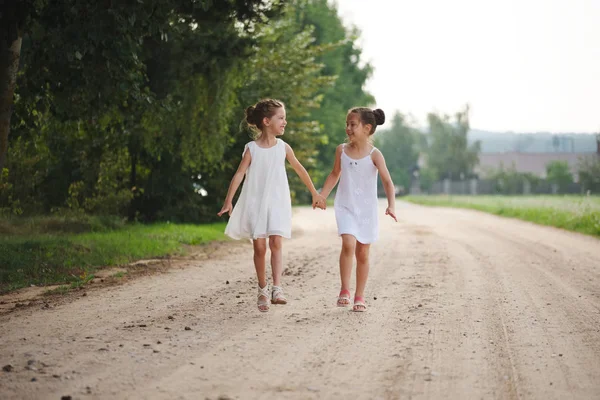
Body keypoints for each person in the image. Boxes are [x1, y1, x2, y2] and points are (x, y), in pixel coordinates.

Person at [218, 99, 326, 312]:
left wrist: (315, 192)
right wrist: (229, 200)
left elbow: (299, 168)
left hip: (277, 200)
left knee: (276, 242)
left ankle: (277, 288)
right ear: (267, 121)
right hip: (256, 201)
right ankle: (262, 288)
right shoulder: (251, 148)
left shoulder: (283, 147)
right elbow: (239, 174)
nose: (285, 122)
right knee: (259, 246)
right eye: (281, 118)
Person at [319, 107, 397, 312]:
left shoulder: (375, 154)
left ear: (367, 128)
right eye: (347, 124)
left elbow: (387, 181)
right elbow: (335, 174)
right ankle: (345, 290)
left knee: (362, 253)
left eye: (352, 125)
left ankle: (359, 296)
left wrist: (391, 205)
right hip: (345, 206)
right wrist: (322, 196)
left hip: (367, 211)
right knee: (348, 243)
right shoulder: (341, 151)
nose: (348, 128)